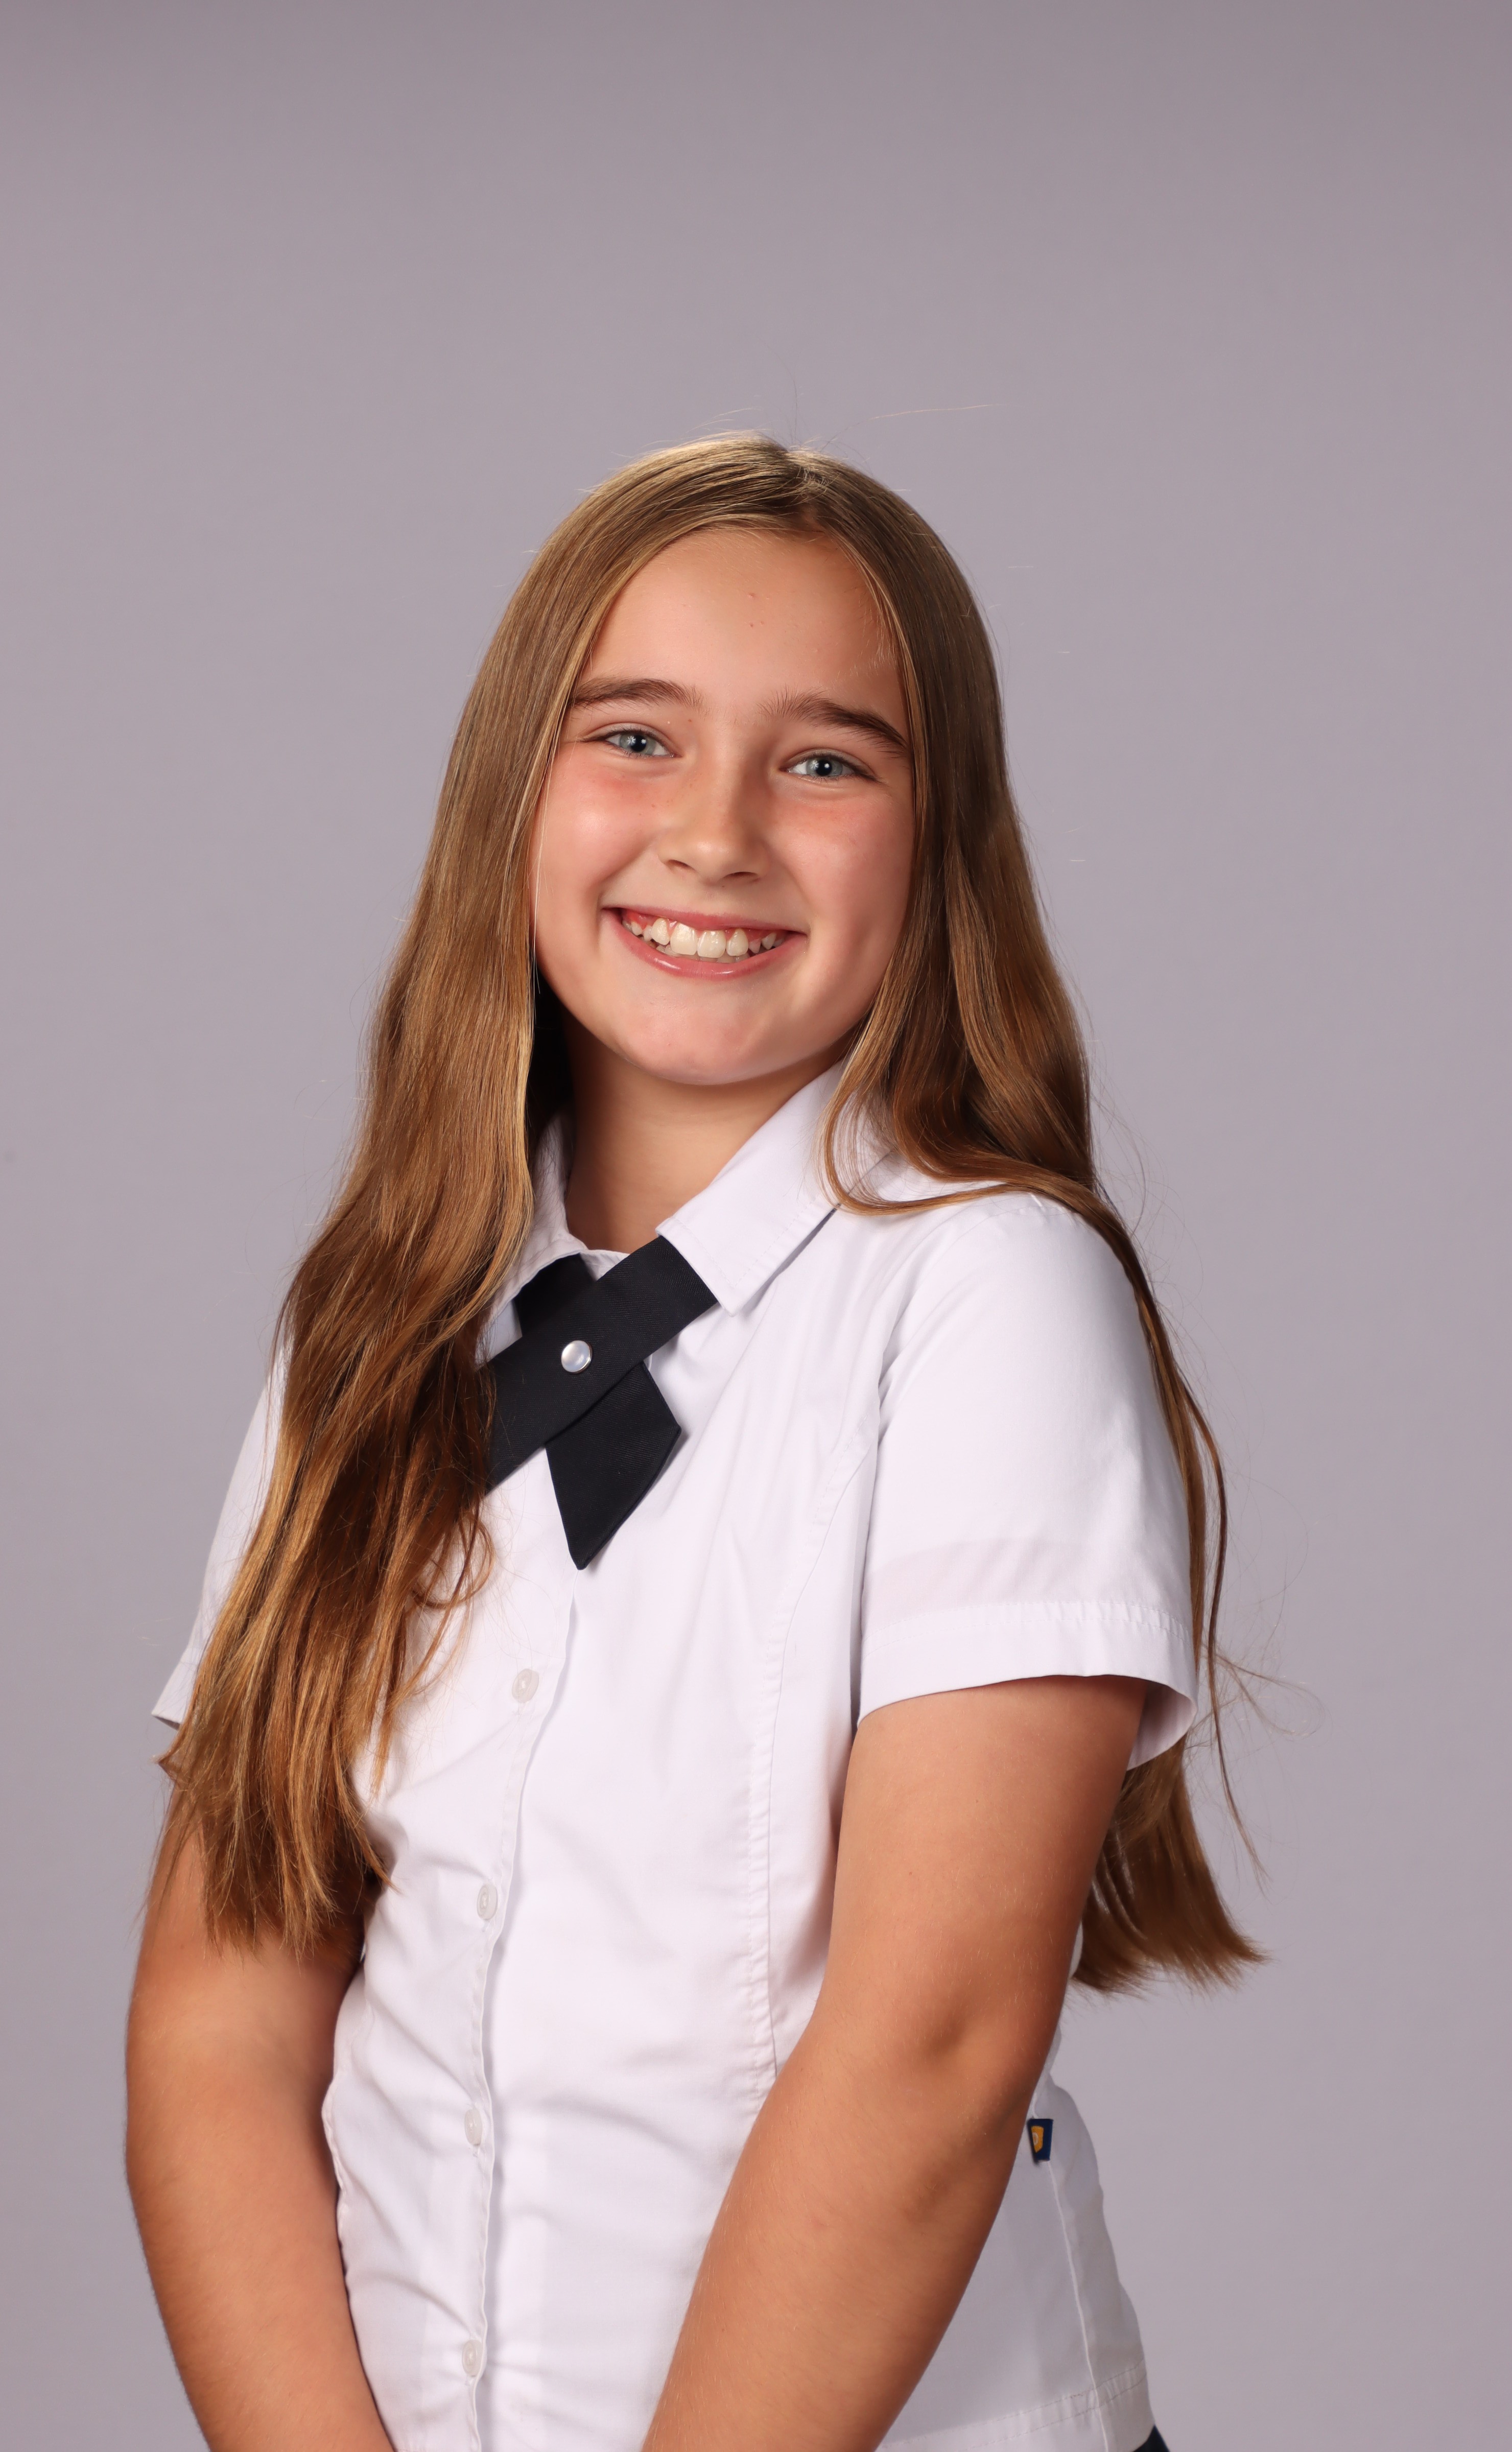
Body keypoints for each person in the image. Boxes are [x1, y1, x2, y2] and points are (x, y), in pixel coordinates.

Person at [126, 434, 1255, 2452]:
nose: (713, 833)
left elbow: (928, 2051)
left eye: (823, 761)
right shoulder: (376, 1326)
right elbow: (221, 2025)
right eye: (633, 737)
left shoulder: (987, 1297)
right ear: (514, 792)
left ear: (938, 843)